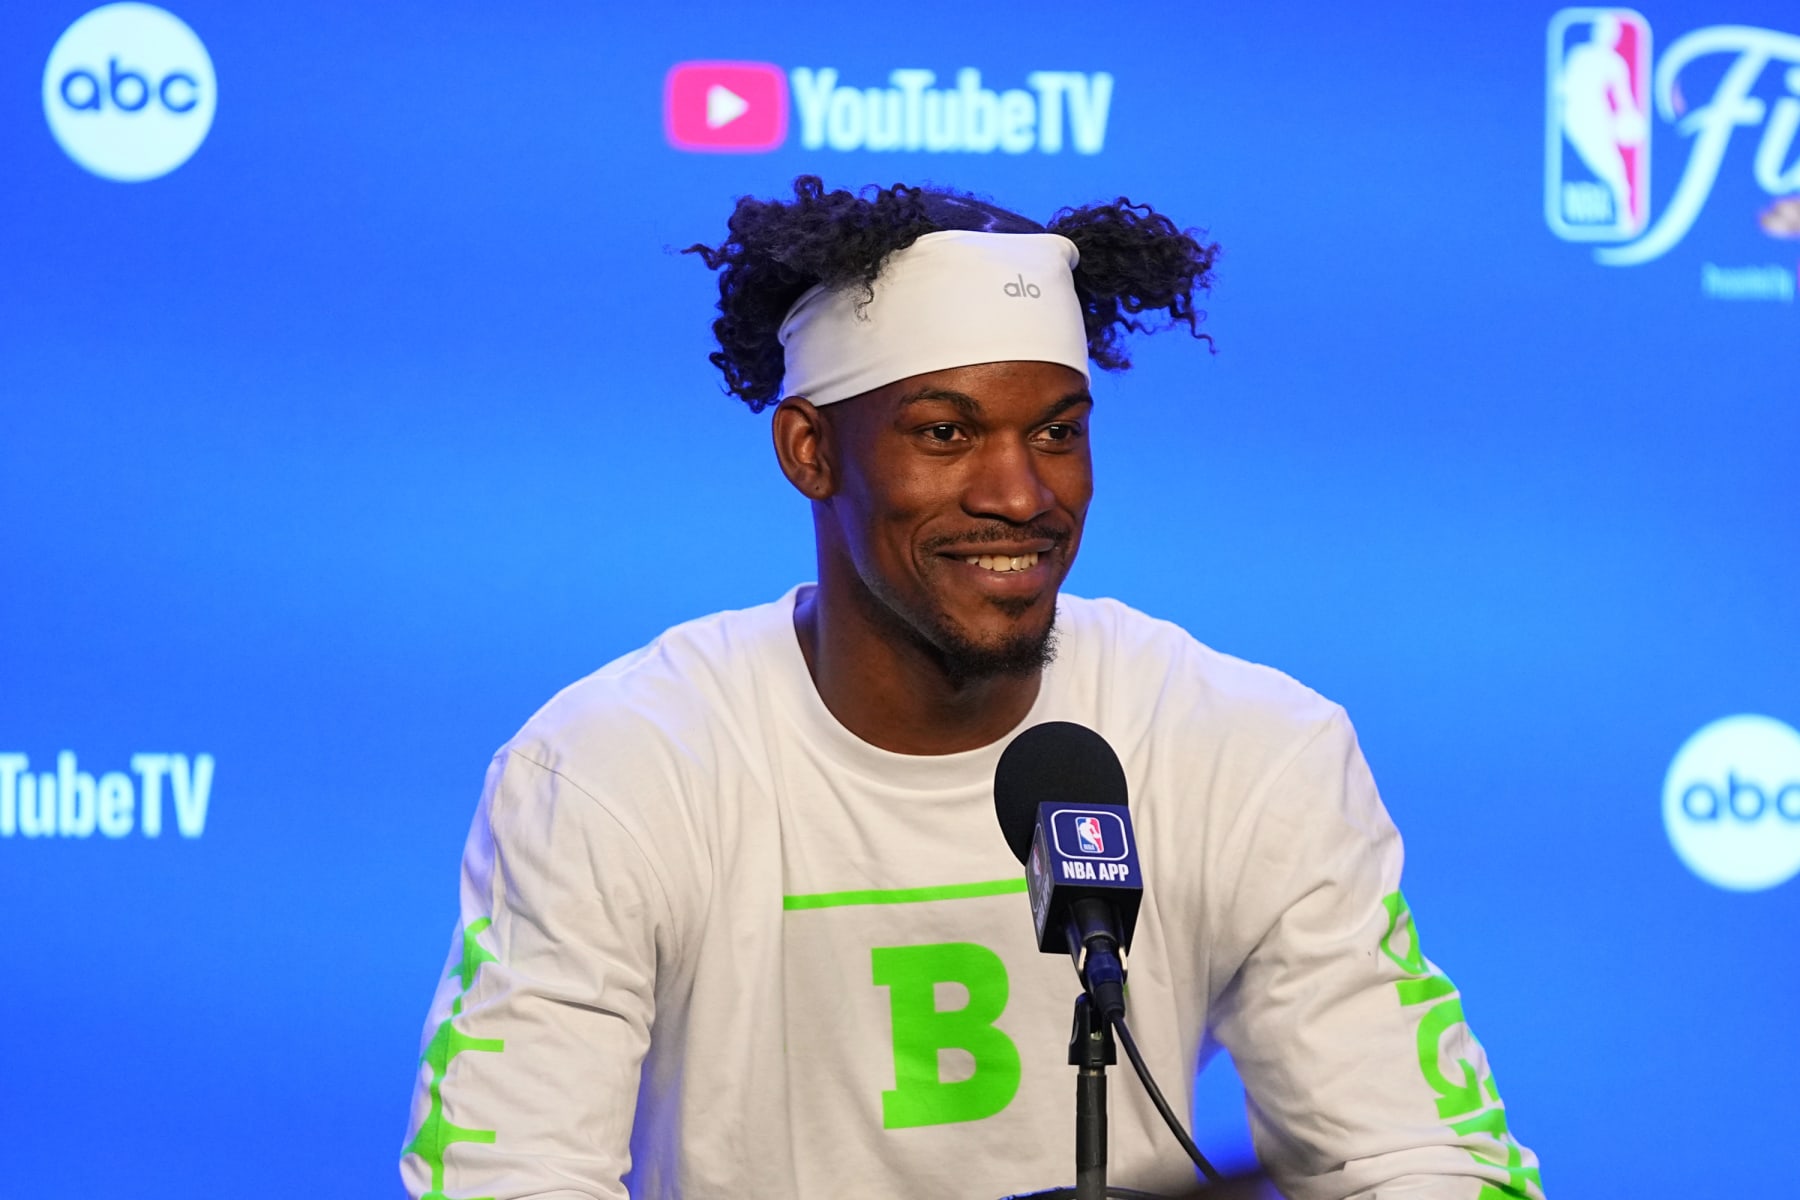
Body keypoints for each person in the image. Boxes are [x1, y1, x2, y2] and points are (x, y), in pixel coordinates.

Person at [400, 176, 1543, 1200]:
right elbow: (512, 1174)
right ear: (810, 451)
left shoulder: (1249, 746)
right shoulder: (618, 765)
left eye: (1057, 431)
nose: (1020, 492)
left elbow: (1418, 1158)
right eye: (945, 432)